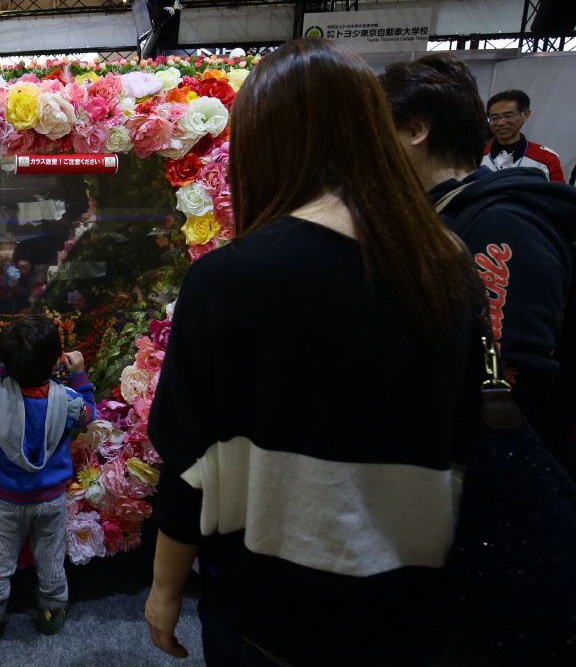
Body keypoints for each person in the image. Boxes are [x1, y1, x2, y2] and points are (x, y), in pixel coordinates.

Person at [145, 38, 484, 666]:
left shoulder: (230, 278)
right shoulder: (448, 261)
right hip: (417, 608)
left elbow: (190, 462)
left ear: (263, 142)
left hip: (273, 611)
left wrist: (165, 590)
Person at [381, 54, 576, 470]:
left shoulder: (502, 221)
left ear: (416, 131)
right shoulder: (438, 211)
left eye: (378, 133)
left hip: (480, 465)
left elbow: (512, 373)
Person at [0, 314, 96, 652]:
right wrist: (79, 376)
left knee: (1, 558)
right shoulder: (67, 398)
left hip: (10, 500)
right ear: (54, 363)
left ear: (6, 362)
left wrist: (1, 373)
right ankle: (52, 613)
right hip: (51, 499)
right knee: (50, 557)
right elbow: (89, 414)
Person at [481, 89, 565, 182]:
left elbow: (559, 191)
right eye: (494, 118)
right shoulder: (479, 157)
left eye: (508, 116)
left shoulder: (546, 158)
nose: (501, 122)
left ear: (525, 115)